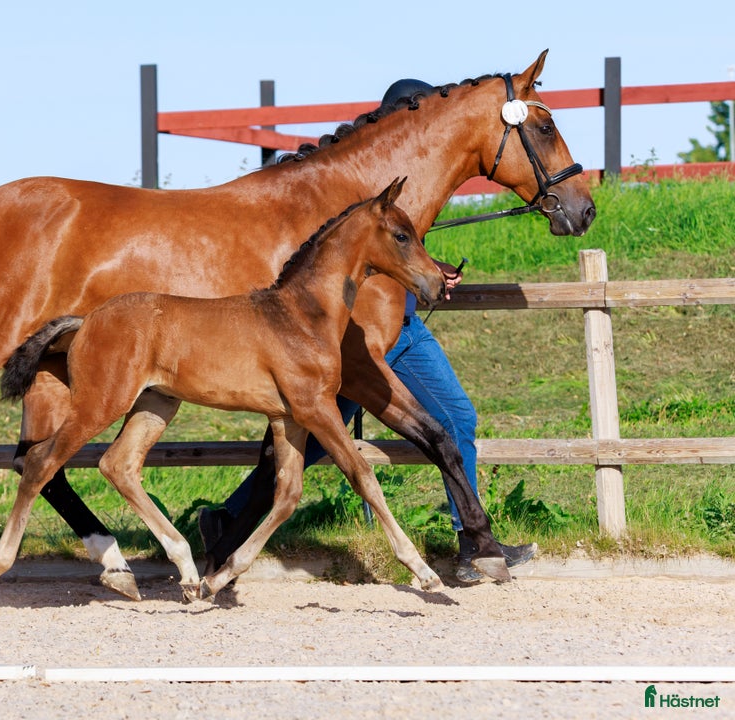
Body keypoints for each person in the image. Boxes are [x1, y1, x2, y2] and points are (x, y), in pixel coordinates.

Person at [198, 79, 537, 584]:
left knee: (352, 433)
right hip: (371, 336)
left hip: (399, 327)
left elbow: (389, 252)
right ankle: (473, 544)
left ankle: (226, 521)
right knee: (339, 433)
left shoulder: (386, 191)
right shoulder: (355, 192)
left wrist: (429, 267)